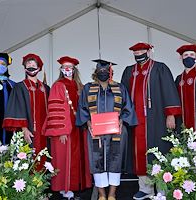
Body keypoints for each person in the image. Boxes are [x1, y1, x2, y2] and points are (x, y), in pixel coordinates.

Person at [121, 42, 181, 200]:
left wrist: (171, 114)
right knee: (139, 153)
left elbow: (169, 91)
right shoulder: (129, 71)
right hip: (135, 121)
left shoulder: (160, 68)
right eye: (136, 51)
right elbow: (123, 96)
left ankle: (162, 188)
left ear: (149, 51)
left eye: (142, 50)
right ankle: (145, 189)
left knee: (159, 152)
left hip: (157, 119)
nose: (139, 53)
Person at [76, 59, 137, 200]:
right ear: (96, 72)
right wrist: (88, 122)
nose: (103, 73)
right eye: (100, 71)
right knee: (97, 162)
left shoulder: (120, 88)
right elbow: (82, 108)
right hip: (95, 132)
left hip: (117, 131)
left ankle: (112, 194)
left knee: (115, 161)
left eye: (105, 71)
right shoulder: (88, 88)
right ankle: (102, 195)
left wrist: (122, 120)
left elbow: (128, 108)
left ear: (111, 72)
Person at [42, 56, 92, 200]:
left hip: (79, 129)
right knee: (65, 158)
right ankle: (65, 188)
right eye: (64, 67)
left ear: (75, 69)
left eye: (70, 67)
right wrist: (61, 131)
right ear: (61, 70)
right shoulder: (58, 85)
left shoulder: (80, 86)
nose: (67, 69)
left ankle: (79, 185)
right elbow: (54, 109)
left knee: (80, 157)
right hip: (65, 129)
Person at [2, 53, 49, 170]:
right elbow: (18, 108)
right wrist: (24, 129)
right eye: (28, 64)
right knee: (29, 159)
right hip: (29, 131)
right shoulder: (20, 87)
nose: (31, 67)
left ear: (39, 68)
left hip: (45, 132)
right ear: (24, 68)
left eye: (34, 65)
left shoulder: (46, 88)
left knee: (45, 158)